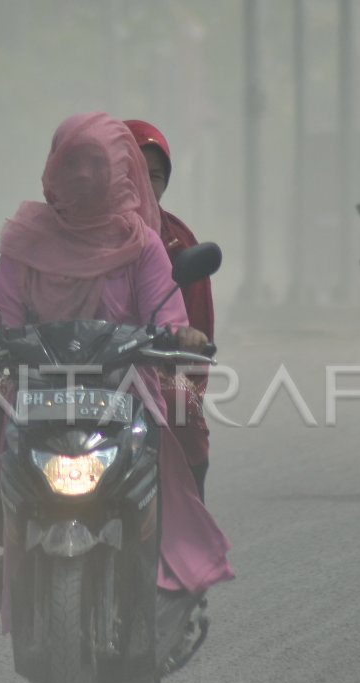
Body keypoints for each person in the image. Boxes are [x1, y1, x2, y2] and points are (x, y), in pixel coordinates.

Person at [0, 112, 232, 602]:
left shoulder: (143, 241)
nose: (84, 176)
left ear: (117, 171)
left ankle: (174, 538)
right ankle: (13, 544)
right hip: (39, 384)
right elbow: (0, 317)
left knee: (185, 411)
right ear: (54, 167)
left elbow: (165, 311)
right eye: (74, 163)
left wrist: (179, 335)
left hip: (128, 381)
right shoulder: (24, 240)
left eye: (95, 164)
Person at [124, 119, 214, 501]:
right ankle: (13, 542)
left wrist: (184, 346)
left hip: (147, 374)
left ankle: (190, 523)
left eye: (154, 176)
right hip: (60, 375)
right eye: (127, 174)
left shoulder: (174, 242)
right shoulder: (50, 233)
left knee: (181, 407)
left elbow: (192, 329)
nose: (142, 189)